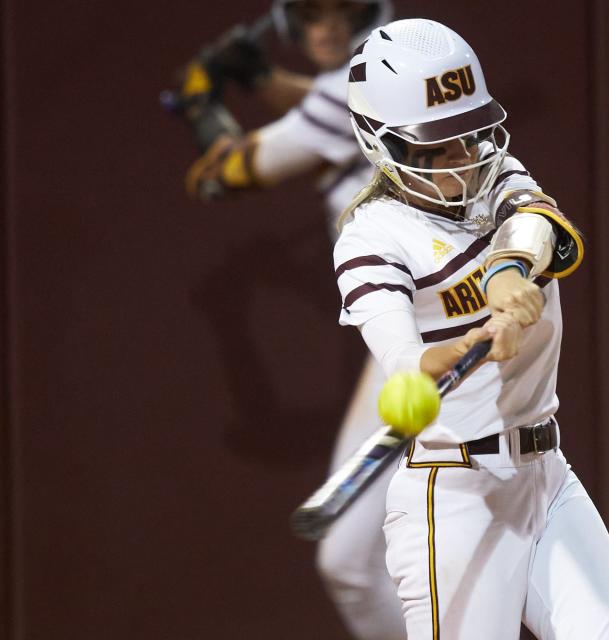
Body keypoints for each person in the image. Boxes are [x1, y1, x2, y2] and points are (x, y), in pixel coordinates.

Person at [335, 18, 609, 639]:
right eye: (435, 147)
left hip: (547, 478)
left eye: (469, 136)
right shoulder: (370, 236)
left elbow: (537, 225)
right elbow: (400, 355)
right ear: (383, 145)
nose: (461, 160)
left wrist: (506, 273)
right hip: (455, 499)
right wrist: (455, 351)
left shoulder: (495, 174)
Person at [180, 2, 408, 639]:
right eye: (314, 12)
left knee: (357, 562)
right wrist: (258, 81)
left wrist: (201, 106)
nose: (328, 27)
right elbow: (324, 106)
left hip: (436, 334)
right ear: (292, 20)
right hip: (425, 328)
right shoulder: (384, 76)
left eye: (343, 9)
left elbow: (220, 177)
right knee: (365, 562)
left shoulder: (350, 88)